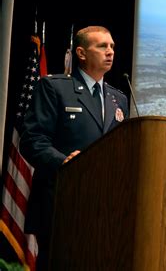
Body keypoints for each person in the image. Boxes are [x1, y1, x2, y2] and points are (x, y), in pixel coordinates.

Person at [19, 25, 129, 270]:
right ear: (81, 53)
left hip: (105, 211)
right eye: (102, 46)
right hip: (61, 205)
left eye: (112, 46)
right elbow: (32, 140)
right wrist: (65, 163)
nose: (110, 51)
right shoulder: (55, 88)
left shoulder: (118, 98)